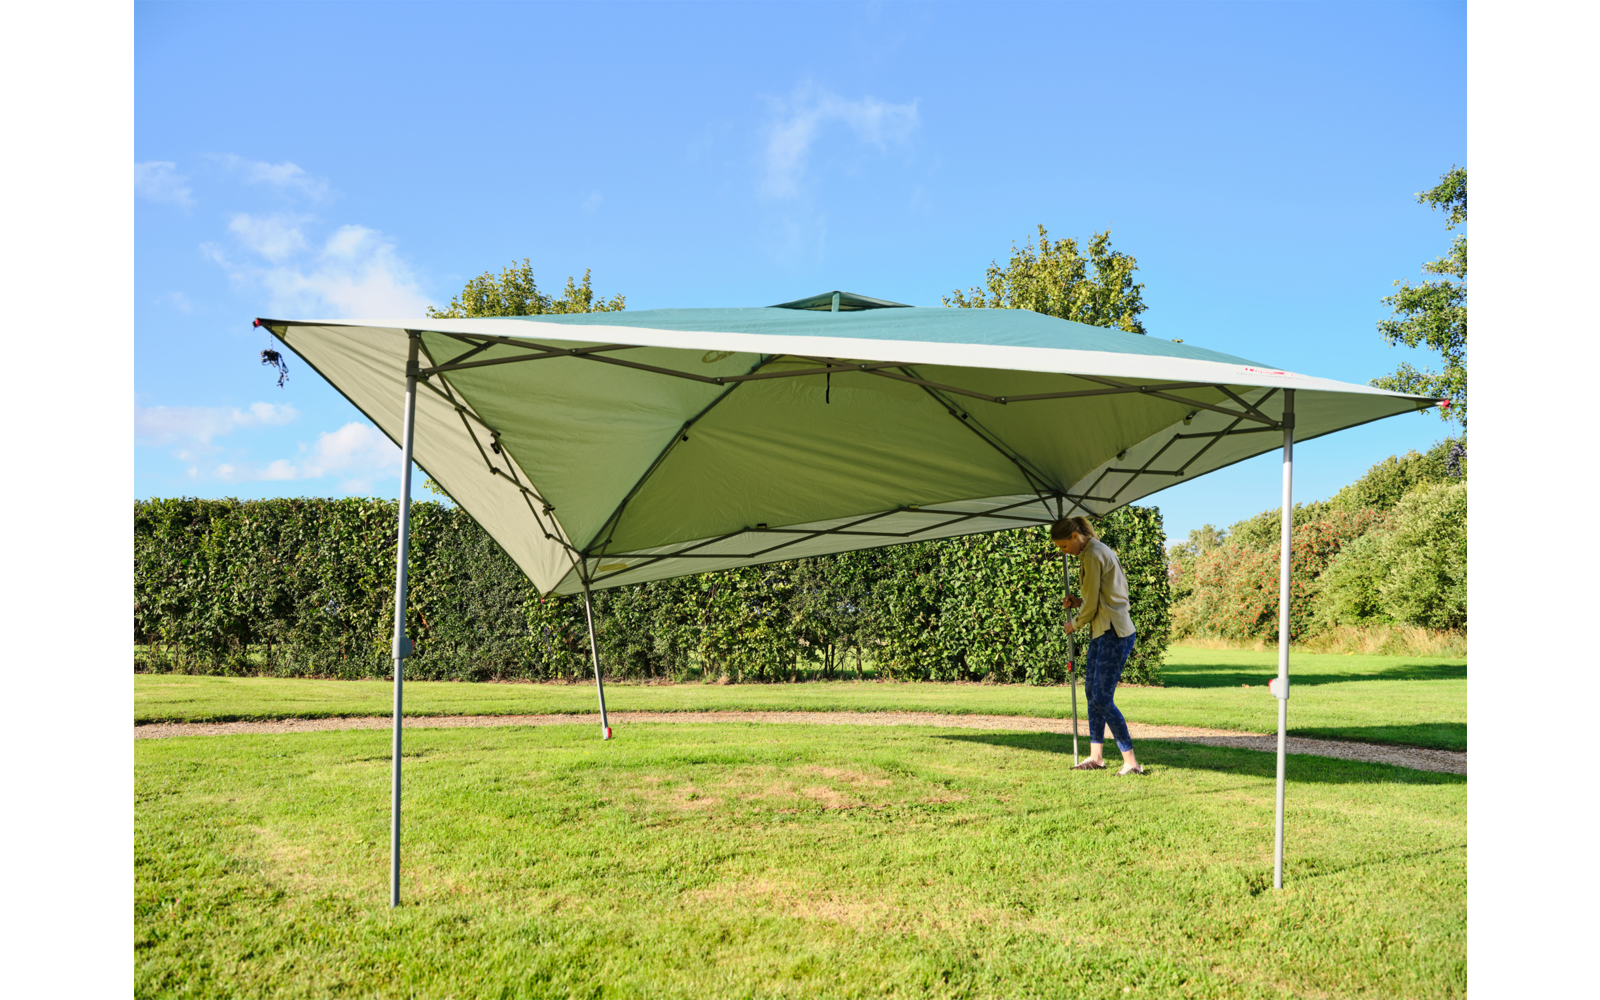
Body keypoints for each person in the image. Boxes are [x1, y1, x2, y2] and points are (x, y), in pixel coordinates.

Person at [1052, 515, 1144, 775]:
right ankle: (1096, 758)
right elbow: (1099, 598)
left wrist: (1075, 624)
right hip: (1104, 630)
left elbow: (1093, 605)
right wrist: (1078, 602)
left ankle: (1132, 763)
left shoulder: (1093, 554)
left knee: (1102, 697)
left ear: (1074, 536)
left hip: (1114, 633)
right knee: (1092, 694)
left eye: (1063, 546)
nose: (1064, 552)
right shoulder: (1092, 551)